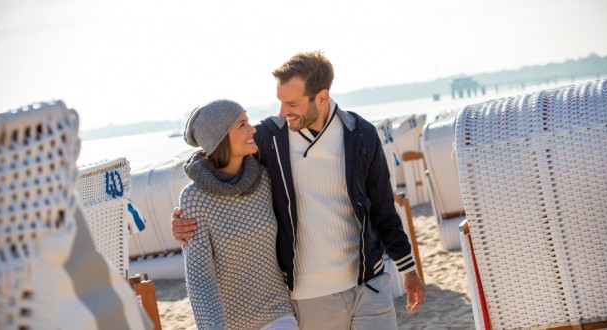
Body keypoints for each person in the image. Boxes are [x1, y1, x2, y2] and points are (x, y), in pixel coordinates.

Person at [172, 51, 425, 329]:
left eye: (291, 103)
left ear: (322, 98)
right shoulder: (270, 138)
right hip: (310, 298)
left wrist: (408, 268)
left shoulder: (361, 135)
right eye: (280, 101)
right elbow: (219, 161)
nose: (282, 111)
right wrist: (183, 220)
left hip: (370, 286)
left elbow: (382, 208)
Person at [178, 99, 297, 330]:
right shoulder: (194, 198)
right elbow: (199, 277)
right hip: (228, 324)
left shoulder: (263, 179)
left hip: (277, 312)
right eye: (242, 124)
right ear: (220, 138)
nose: (252, 129)